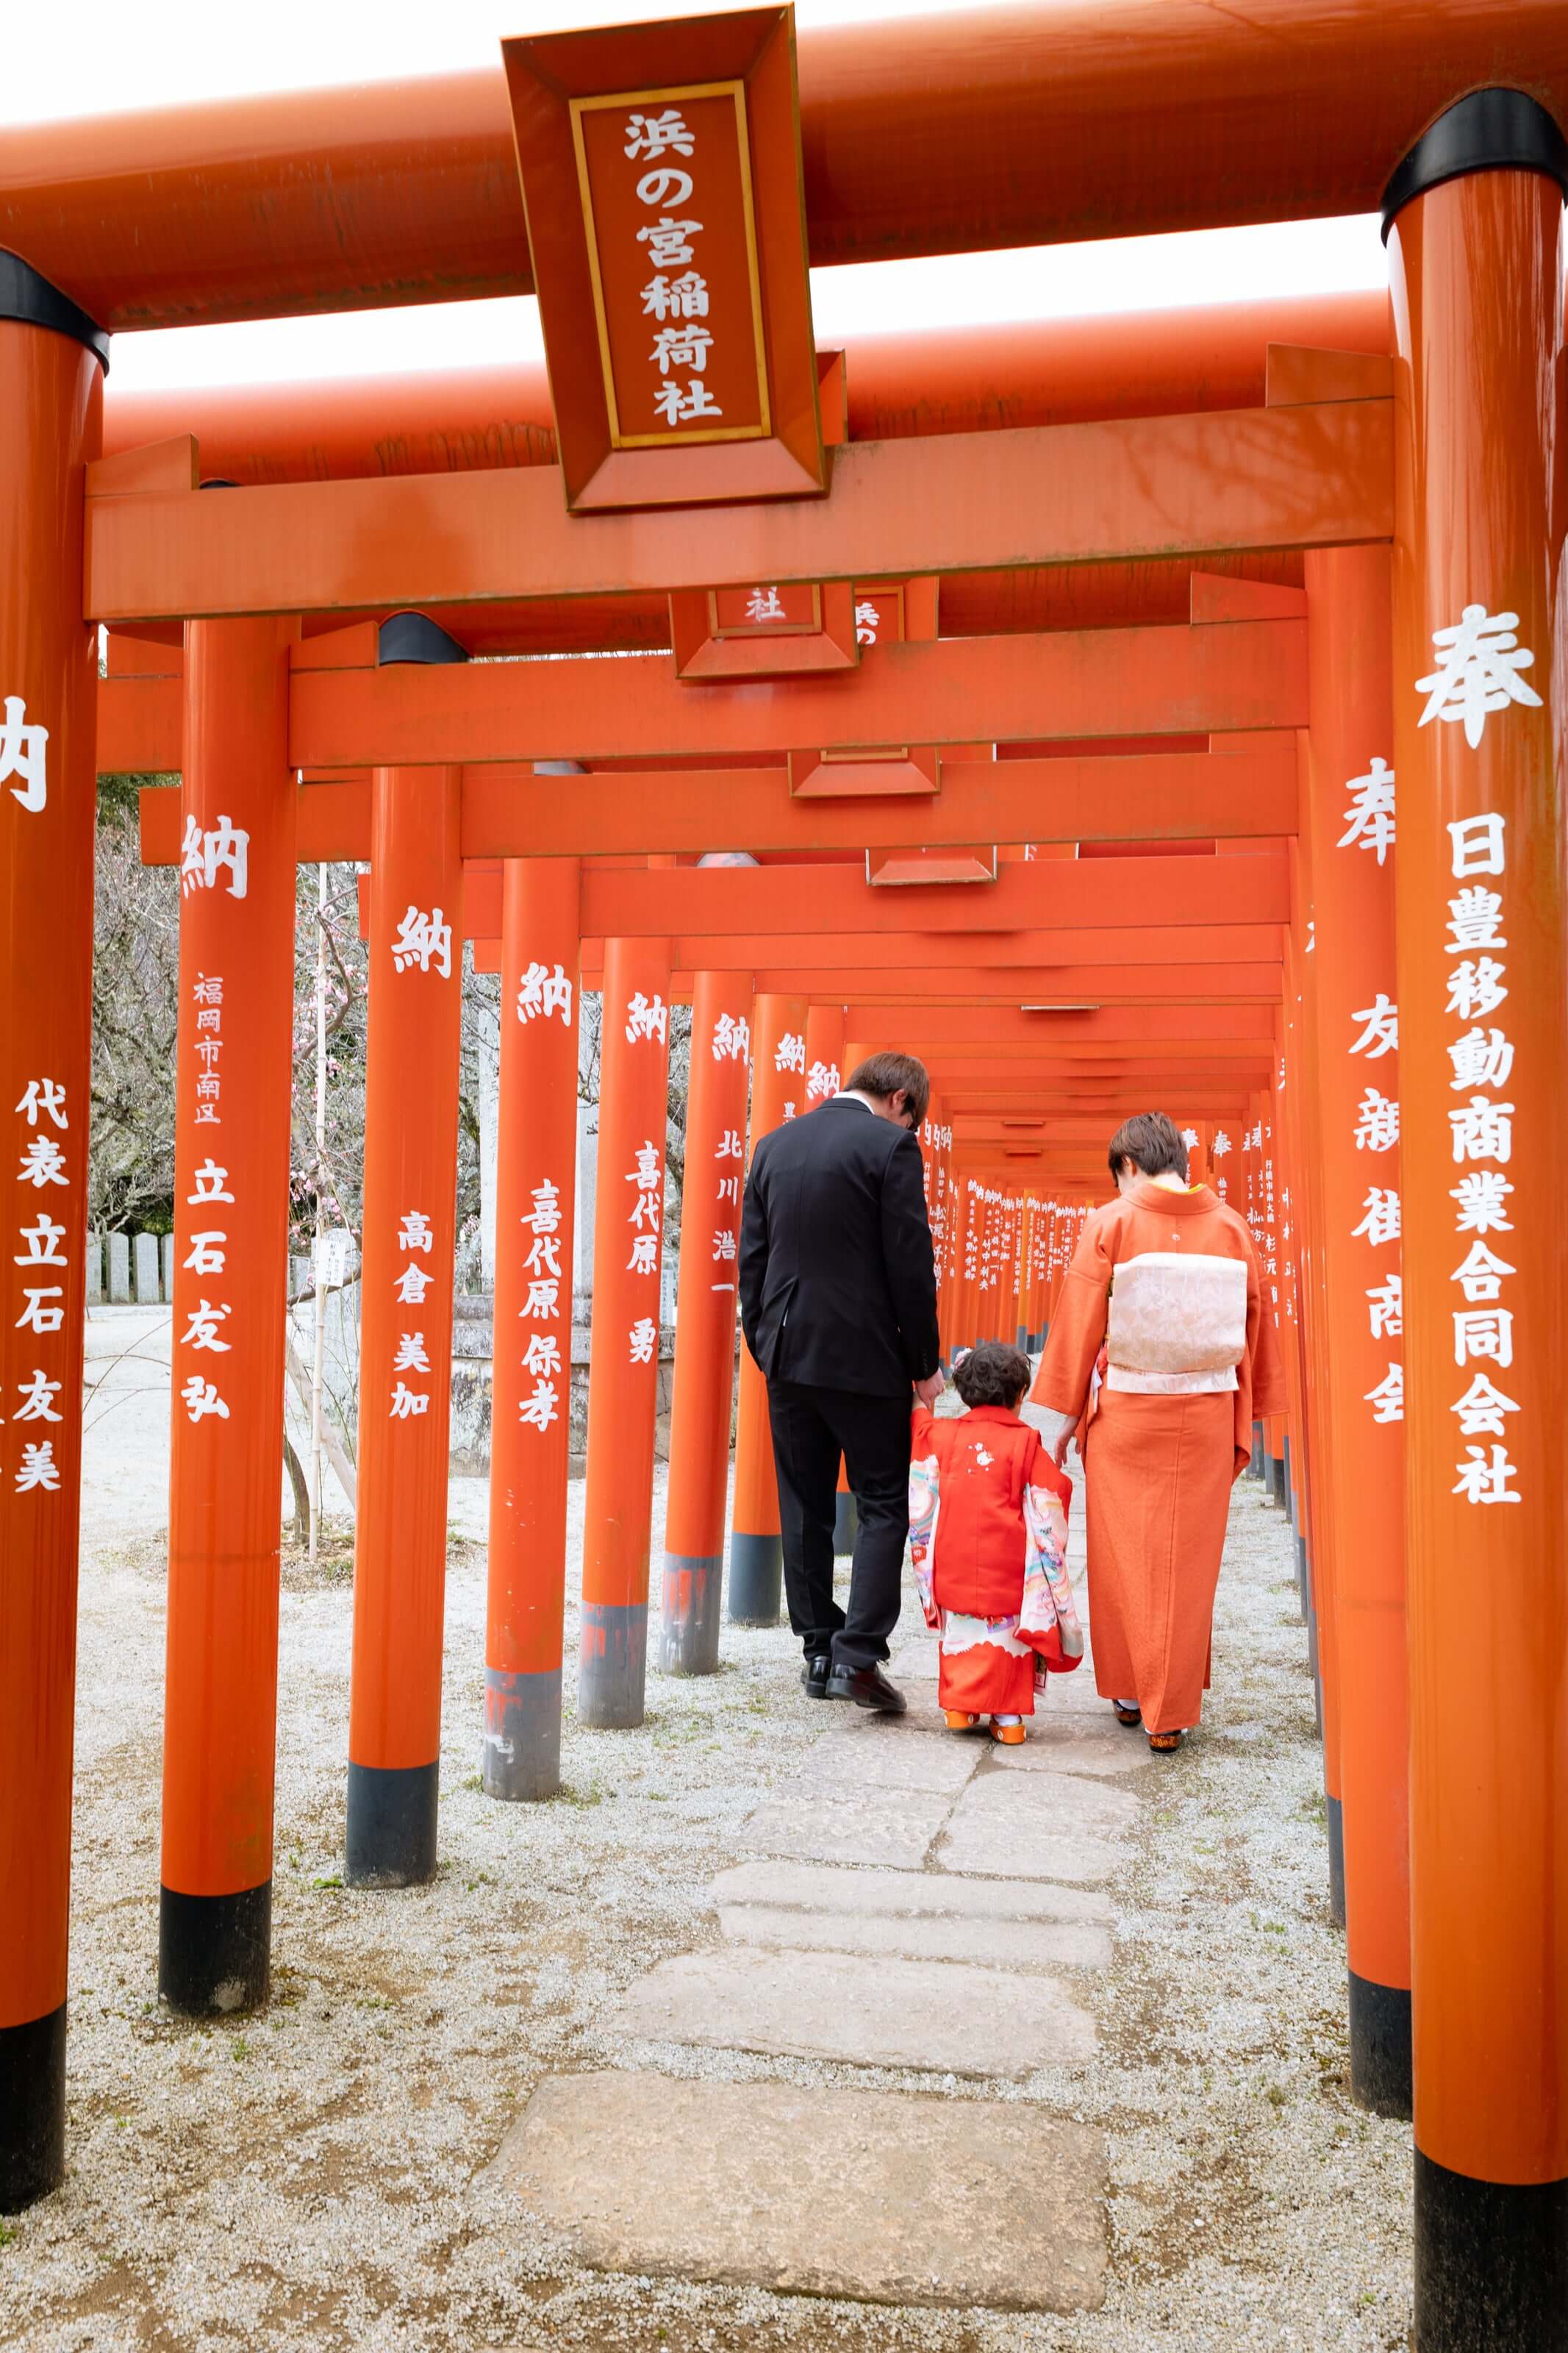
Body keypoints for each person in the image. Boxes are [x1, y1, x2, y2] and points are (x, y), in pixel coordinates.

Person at [1030, 1112, 1284, 1754]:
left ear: (1128, 1166)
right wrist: (1246, 1406)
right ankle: (1168, 1710)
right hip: (1202, 1413)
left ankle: (1123, 1689)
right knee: (1188, 1560)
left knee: (1121, 1551)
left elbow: (1083, 1322)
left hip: (1128, 1412)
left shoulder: (1111, 1222)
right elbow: (1252, 1324)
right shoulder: (1229, 1226)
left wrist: (1063, 1421)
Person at [739, 1049, 942, 1714]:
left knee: (804, 1503)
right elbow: (909, 1266)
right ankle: (858, 1655)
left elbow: (753, 1261)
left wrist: (765, 1344)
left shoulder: (773, 1146)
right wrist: (924, 1365)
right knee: (882, 1500)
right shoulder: (889, 1150)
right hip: (866, 1361)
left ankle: (819, 1649)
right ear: (902, 1103)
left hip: (789, 1356)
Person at [908, 1341, 1082, 1744]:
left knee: (962, 1638)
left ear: (966, 1392)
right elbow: (1051, 1495)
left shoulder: (946, 1436)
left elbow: (920, 1431)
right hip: (1007, 1578)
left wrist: (919, 1397)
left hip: (952, 1566)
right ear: (1020, 1395)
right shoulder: (1025, 1442)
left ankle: (959, 1709)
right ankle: (1008, 1722)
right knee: (1006, 1643)